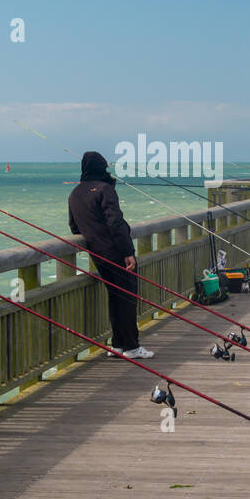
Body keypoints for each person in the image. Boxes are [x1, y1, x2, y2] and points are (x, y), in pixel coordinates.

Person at [68, 151, 154, 358]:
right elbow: (115, 222)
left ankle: (117, 345)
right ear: (102, 167)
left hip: (97, 254)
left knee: (115, 298)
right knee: (127, 298)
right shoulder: (105, 190)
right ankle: (132, 347)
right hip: (117, 252)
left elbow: (74, 228)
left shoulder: (74, 193)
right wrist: (128, 252)